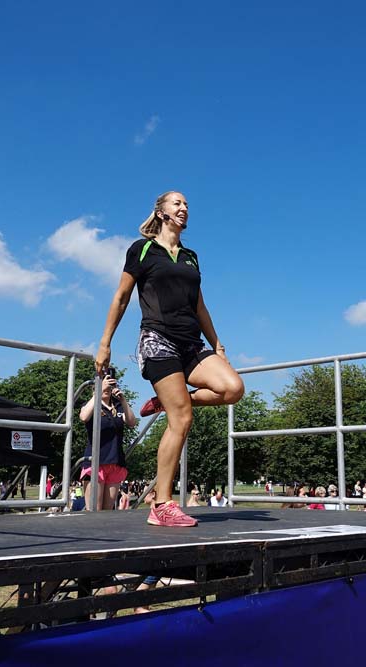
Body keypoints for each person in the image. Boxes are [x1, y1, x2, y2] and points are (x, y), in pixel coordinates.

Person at [95, 191, 244, 528]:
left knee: (233, 388)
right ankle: (161, 504)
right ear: (161, 212)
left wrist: (217, 344)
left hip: (190, 343)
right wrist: (105, 344)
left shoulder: (191, 257)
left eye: (187, 204)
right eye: (177, 203)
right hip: (157, 339)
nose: (184, 207)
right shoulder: (142, 249)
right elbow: (121, 298)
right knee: (183, 419)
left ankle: (166, 402)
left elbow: (199, 306)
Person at [80, 368, 137, 511]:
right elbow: (84, 417)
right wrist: (99, 391)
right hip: (96, 462)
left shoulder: (117, 406)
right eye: (103, 384)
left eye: (110, 385)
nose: (107, 388)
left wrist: (123, 400)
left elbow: (131, 422)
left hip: (115, 461)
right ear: (95, 385)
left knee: (108, 511)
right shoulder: (92, 404)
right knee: (94, 510)